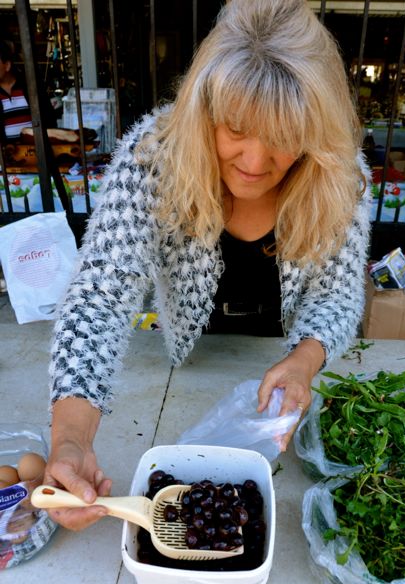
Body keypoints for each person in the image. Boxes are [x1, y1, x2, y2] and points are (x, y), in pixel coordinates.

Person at [45, 0, 370, 531]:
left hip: (284, 367)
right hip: (184, 363)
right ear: (205, 108)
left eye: (285, 137)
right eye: (236, 128)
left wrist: (306, 360)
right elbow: (99, 297)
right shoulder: (152, 159)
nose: (255, 161)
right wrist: (72, 440)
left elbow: (336, 294)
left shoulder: (340, 174)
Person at [0, 40, 56, 143]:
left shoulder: (29, 87)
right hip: (8, 155)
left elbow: (49, 118)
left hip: (37, 153)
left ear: (7, 65)